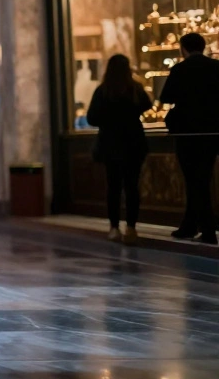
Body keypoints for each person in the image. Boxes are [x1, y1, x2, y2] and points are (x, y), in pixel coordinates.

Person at [85, 54, 152, 244]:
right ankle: (131, 228)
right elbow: (147, 105)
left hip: (111, 143)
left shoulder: (103, 91)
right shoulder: (135, 89)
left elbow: (91, 118)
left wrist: (108, 119)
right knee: (132, 187)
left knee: (113, 187)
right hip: (133, 143)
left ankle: (114, 227)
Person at [159, 32, 219, 244]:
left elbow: (166, 97)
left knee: (194, 180)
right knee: (203, 178)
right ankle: (191, 224)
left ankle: (206, 228)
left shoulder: (180, 69)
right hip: (212, 132)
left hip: (187, 132)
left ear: (183, 49)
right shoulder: (216, 67)